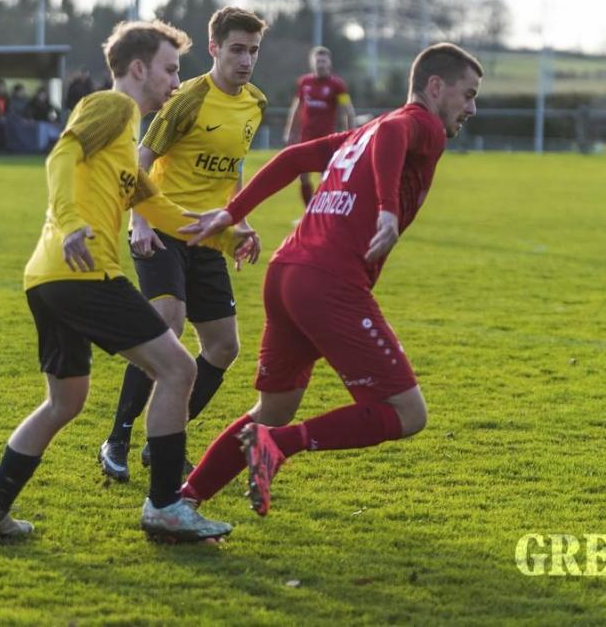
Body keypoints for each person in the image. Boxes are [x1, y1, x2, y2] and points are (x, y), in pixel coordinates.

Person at [0, 20, 252, 544]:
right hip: (86, 273)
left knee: (64, 403)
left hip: (49, 279)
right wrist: (73, 223)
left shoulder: (123, 143)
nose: (175, 81)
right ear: (138, 68)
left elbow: (159, 208)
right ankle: (165, 506)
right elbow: (60, 155)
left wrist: (229, 240)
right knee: (179, 368)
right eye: (169, 69)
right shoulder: (113, 107)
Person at [174, 43, 483, 521]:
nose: (472, 108)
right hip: (327, 283)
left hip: (287, 274)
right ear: (436, 87)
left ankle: (184, 500)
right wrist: (385, 208)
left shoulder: (367, 128)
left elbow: (294, 157)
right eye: (468, 94)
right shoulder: (419, 124)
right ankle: (278, 446)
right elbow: (397, 135)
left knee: (272, 408)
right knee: (407, 413)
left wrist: (232, 212)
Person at [98, 6, 268, 483]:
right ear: (214, 48)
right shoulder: (187, 98)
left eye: (253, 51)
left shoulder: (255, 103)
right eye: (237, 49)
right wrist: (141, 220)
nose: (246, 60)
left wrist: (241, 223)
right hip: (163, 229)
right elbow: (143, 156)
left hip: (208, 235)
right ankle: (119, 437)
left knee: (223, 347)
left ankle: (162, 436)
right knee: (166, 327)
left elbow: (232, 172)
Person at [282, 46, 355, 205]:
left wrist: (350, 134)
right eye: (318, 60)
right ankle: (309, 212)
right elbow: (297, 108)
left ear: (329, 63)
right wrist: (290, 131)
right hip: (306, 137)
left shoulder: (337, 85)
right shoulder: (304, 82)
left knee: (327, 176)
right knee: (303, 175)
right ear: (312, 62)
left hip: (326, 139)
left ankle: (325, 211)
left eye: (323, 60)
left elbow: (347, 111)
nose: (320, 64)